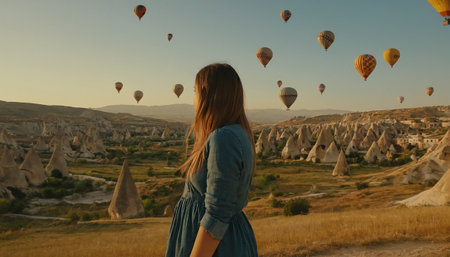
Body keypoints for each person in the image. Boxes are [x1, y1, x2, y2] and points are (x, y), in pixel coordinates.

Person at [165, 63, 258, 257]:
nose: (193, 98)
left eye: (194, 91)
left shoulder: (223, 137)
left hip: (215, 248)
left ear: (208, 94)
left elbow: (218, 213)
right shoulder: (234, 134)